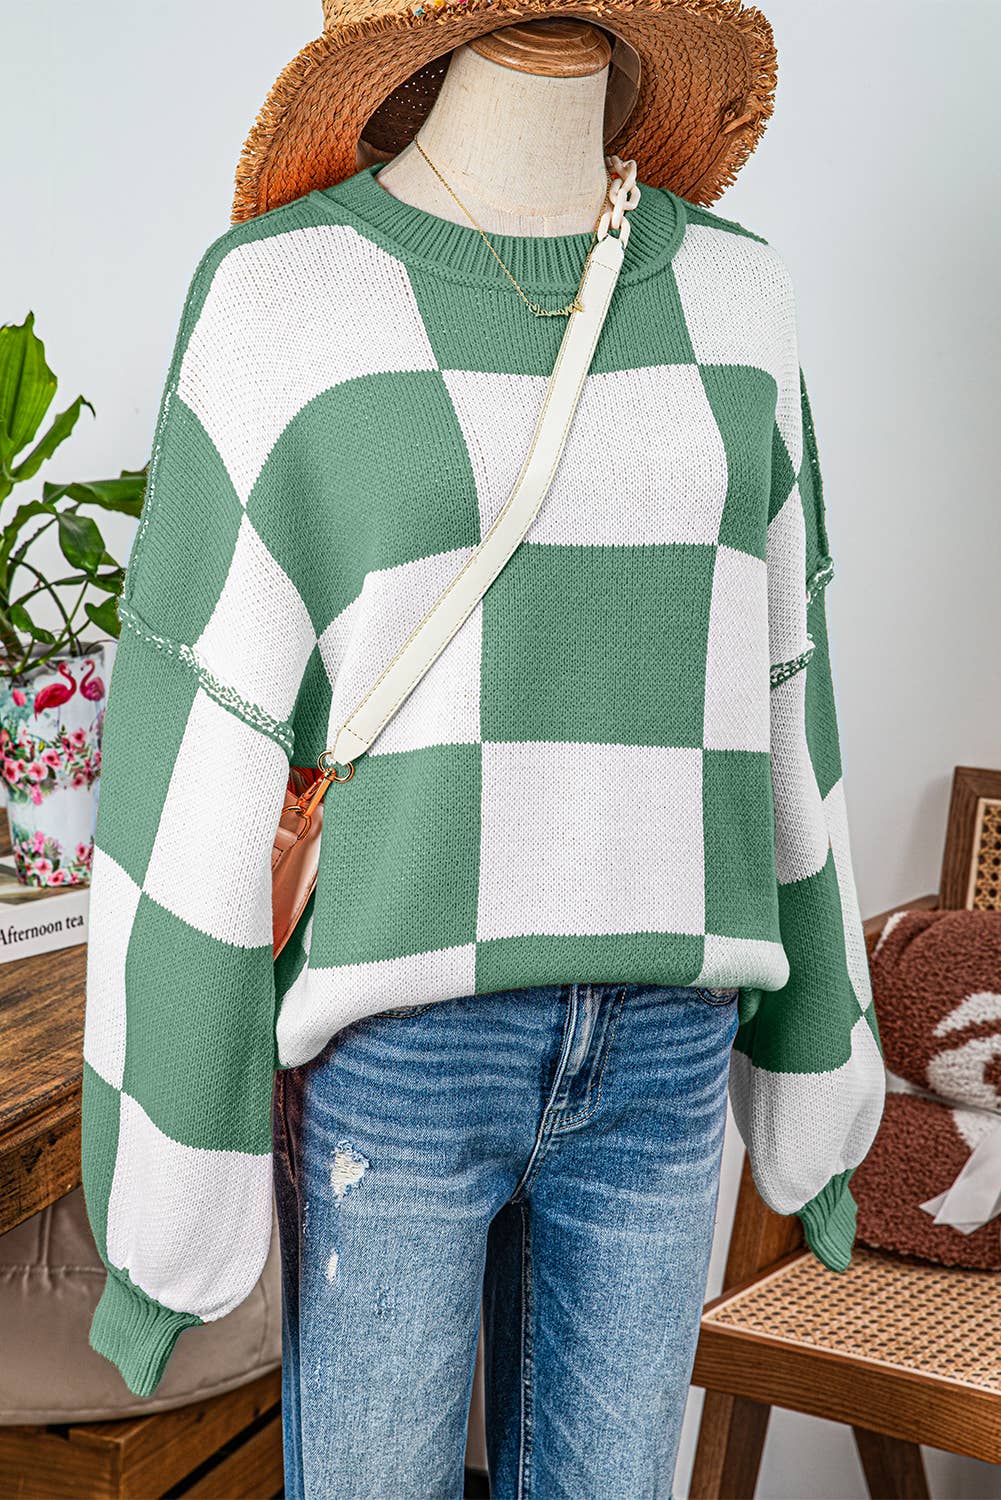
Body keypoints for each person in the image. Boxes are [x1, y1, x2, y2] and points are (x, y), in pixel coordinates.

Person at [80, 3, 885, 1495]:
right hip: (401, 1045)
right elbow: (197, 725)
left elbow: (786, 676)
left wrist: (817, 1057)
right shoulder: (279, 294)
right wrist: (171, 1164)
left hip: (666, 1033)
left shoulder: (738, 296)